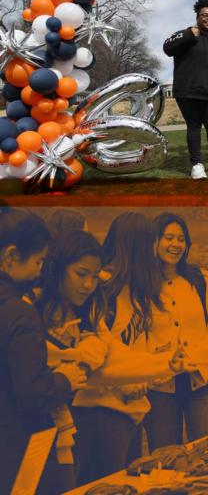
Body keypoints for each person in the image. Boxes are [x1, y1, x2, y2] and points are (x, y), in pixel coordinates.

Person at [34, 229, 195, 485]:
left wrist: (164, 364)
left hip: (101, 415)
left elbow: (110, 353)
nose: (88, 284)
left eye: (94, 277)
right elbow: (89, 369)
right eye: (81, 274)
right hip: (57, 423)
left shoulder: (89, 309)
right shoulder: (30, 310)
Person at [0, 210, 87, 495]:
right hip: (15, 448)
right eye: (38, 261)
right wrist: (66, 379)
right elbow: (33, 394)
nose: (40, 271)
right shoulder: (19, 312)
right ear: (11, 256)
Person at [142, 213, 208, 451]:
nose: (175, 245)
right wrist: (156, 364)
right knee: (164, 455)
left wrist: (196, 358)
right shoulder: (143, 285)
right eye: (169, 238)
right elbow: (139, 333)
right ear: (155, 241)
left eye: (181, 239)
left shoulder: (202, 279)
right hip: (160, 387)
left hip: (204, 382)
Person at [163, 0, 208, 180]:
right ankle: (197, 165)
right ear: (197, 17)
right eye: (205, 15)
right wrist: (188, 35)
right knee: (194, 127)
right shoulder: (187, 34)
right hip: (188, 93)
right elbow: (167, 48)